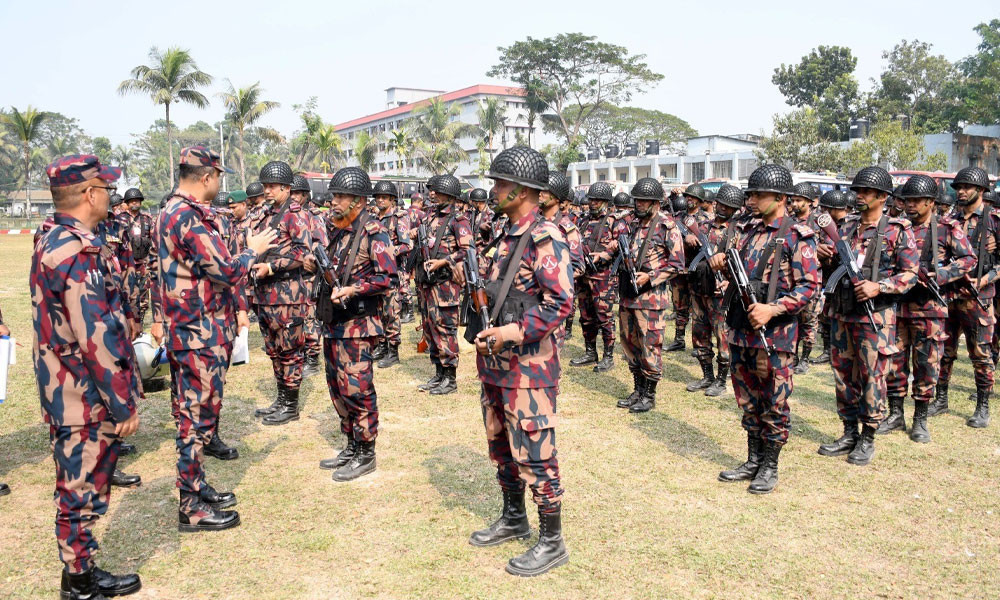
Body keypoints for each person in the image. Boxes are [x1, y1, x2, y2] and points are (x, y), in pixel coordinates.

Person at [32, 154, 143, 599]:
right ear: (88, 194)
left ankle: (81, 570)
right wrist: (123, 403)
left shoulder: (54, 238)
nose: (110, 196)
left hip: (68, 386)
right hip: (82, 393)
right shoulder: (76, 250)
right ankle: (78, 582)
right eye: (106, 189)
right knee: (79, 489)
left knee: (79, 485)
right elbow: (95, 335)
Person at [155, 146, 276, 531]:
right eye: (219, 176)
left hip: (198, 329)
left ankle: (196, 485)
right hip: (197, 333)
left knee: (200, 416)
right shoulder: (186, 216)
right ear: (206, 176)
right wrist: (251, 252)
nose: (220, 183)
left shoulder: (172, 212)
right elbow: (225, 270)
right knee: (195, 420)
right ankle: (190, 506)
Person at [468, 146, 573, 577]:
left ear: (524, 190)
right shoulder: (505, 234)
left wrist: (511, 332)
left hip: (529, 368)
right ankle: (514, 517)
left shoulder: (545, 236)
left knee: (535, 452)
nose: (494, 189)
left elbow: (560, 303)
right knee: (501, 446)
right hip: (496, 364)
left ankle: (552, 541)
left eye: (501, 183)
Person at [709, 164, 820, 494]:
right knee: (747, 398)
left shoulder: (797, 237)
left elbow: (809, 287)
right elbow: (744, 273)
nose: (753, 199)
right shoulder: (749, 232)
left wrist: (772, 308)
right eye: (752, 194)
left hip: (775, 334)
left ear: (781, 197)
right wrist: (722, 264)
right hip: (742, 328)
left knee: (774, 400)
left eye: (760, 194)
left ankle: (769, 465)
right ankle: (753, 458)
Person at [818, 166, 917, 466]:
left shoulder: (898, 230)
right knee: (843, 375)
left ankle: (868, 435)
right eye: (857, 191)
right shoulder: (846, 227)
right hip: (843, 312)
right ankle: (849, 431)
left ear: (882, 196)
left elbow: (911, 274)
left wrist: (880, 286)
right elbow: (839, 266)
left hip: (875, 316)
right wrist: (828, 257)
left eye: (865, 192)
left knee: (873, 376)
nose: (858, 196)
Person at [315, 167, 396, 481]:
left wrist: (354, 289)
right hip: (334, 322)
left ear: (359, 200)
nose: (334, 201)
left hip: (359, 324)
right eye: (334, 195)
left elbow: (388, 277)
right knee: (337, 387)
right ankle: (350, 442)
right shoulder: (337, 230)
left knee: (357, 388)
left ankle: (366, 450)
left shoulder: (374, 231)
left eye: (341, 196)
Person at [883, 175, 975, 443]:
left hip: (930, 309)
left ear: (930, 202)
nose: (910, 205)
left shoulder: (946, 228)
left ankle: (920, 418)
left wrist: (941, 275)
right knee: (895, 362)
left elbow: (968, 259)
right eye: (906, 200)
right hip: (898, 306)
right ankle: (895, 413)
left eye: (916, 201)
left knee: (926, 365)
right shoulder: (895, 228)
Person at [933, 166, 1000, 427]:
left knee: (980, 353)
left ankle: (982, 405)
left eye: (966, 188)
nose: (960, 192)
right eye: (958, 188)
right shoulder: (948, 221)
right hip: (949, 295)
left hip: (978, 296)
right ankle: (941, 398)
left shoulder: (993, 222)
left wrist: (984, 280)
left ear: (981, 191)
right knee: (943, 350)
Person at [249, 161, 311, 423]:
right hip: (265, 295)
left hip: (287, 294)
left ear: (286, 188)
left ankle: (291, 405)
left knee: (290, 349)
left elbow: (303, 252)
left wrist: (272, 267)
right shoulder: (265, 214)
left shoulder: (295, 215)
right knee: (274, 348)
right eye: (265, 186)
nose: (267, 191)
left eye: (272, 186)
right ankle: (281, 399)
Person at [617, 178, 685, 412]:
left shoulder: (668, 226)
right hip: (629, 294)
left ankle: (649, 394)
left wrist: (651, 276)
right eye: (637, 199)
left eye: (643, 200)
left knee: (650, 345)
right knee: (629, 343)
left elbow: (678, 264)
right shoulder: (634, 224)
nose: (638, 204)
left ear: (656, 202)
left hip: (651, 299)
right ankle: (637, 389)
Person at [414, 175, 473, 395]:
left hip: (445, 284)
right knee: (430, 328)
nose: (432, 194)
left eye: (437, 191)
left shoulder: (459, 220)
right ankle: (439, 373)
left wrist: (444, 261)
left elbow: (468, 251)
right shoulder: (430, 218)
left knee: (445, 328)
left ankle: (450, 377)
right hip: (426, 282)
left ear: (449, 195)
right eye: (431, 191)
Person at [686, 184, 744, 398]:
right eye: (720, 204)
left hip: (722, 294)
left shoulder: (738, 232)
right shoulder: (703, 227)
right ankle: (707, 375)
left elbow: (744, 263)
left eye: (727, 207)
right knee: (699, 335)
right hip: (700, 289)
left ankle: (721, 379)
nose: (722, 209)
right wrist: (688, 241)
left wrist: (731, 280)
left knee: (722, 338)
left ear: (735, 209)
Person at [571, 182, 620, 371]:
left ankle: (608, 356)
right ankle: (590, 352)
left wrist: (605, 254)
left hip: (604, 277)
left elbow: (623, 249)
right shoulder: (583, 221)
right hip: (584, 276)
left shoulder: (615, 221)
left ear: (606, 201)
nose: (592, 203)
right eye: (591, 199)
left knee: (605, 317)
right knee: (586, 316)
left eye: (597, 200)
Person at [539, 173, 584, 349]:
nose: (540, 194)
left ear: (557, 197)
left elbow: (577, 266)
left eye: (545, 191)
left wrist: (550, 278)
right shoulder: (532, 224)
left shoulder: (567, 229)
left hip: (551, 300)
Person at [667, 184, 712, 352]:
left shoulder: (706, 220)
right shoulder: (677, 217)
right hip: (680, 268)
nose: (689, 199)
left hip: (697, 270)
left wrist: (695, 237)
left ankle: (699, 343)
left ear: (700, 200)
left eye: (693, 197)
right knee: (680, 305)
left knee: (698, 308)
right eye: (687, 197)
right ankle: (679, 339)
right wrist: (672, 196)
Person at [372, 180, 410, 368]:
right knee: (378, 311)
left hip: (392, 273)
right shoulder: (373, 218)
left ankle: (393, 349)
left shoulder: (398, 218)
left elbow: (406, 245)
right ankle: (381, 346)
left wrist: (389, 251)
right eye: (378, 197)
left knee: (391, 312)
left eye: (384, 197)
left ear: (392, 199)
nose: (380, 200)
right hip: (375, 274)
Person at [811, 190, 850, 365]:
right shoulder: (824, 226)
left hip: (847, 280)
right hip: (827, 278)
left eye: (826, 209)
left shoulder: (850, 225)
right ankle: (828, 350)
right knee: (826, 315)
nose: (822, 213)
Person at [788, 183, 821, 373]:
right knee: (792, 319)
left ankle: (805, 358)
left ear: (810, 202)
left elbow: (833, 246)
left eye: (799, 200)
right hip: (791, 278)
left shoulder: (818, 223)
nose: (795, 204)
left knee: (809, 320)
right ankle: (793, 356)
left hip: (812, 278)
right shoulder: (789, 222)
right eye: (793, 200)